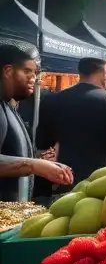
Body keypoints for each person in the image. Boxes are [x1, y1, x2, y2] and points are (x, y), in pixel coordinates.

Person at [36, 58, 106, 191]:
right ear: (103, 73)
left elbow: (42, 142)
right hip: (101, 179)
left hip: (64, 176)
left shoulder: (52, 100)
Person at [0, 43, 73, 200]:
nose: (33, 78)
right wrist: (35, 166)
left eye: (35, 73)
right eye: (27, 71)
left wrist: (38, 162)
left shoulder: (7, 105)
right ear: (8, 71)